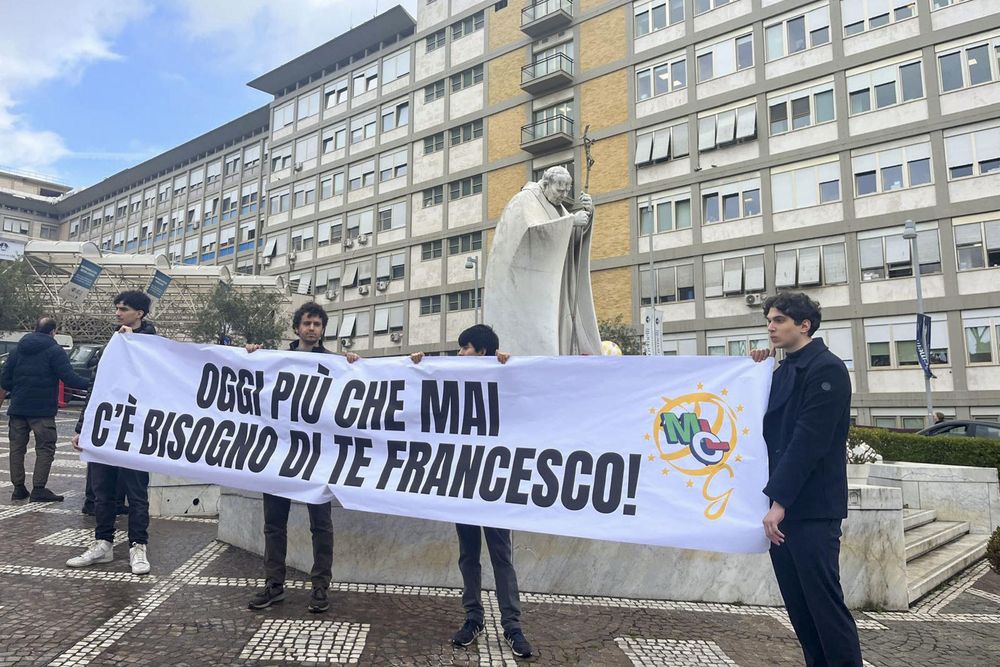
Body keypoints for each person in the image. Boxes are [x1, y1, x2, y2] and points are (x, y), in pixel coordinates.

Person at [750, 292, 863, 667]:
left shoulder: (827, 369)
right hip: (782, 510)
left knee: (824, 607)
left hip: (811, 509)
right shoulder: (782, 371)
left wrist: (779, 502)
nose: (771, 327)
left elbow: (809, 440)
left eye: (779, 320)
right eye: (769, 320)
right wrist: (758, 371)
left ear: (804, 325)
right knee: (800, 610)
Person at [410, 324, 533, 658]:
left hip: (494, 486)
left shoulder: (502, 375)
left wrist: (508, 365)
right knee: (468, 556)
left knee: (501, 557)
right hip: (463, 484)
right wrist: (417, 365)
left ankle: (512, 625)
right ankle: (473, 618)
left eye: (465, 348)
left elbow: (527, 394)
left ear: (482, 351)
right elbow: (422, 390)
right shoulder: (453, 376)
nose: (459, 353)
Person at [247, 302, 359, 614]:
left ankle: (321, 586)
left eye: (317, 324)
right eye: (307, 323)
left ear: (322, 330)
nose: (312, 328)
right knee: (274, 524)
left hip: (317, 457)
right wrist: (251, 355)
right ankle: (273, 584)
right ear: (297, 328)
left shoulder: (335, 363)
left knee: (321, 525)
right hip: (279, 454)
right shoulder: (275, 360)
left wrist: (354, 365)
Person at [67, 291, 157, 575]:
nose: (118, 313)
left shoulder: (153, 344)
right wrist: (83, 427)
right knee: (102, 490)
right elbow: (96, 386)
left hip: (136, 428)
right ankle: (102, 543)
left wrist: (135, 344)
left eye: (124, 309)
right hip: (106, 426)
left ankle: (138, 546)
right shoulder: (113, 341)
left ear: (139, 313)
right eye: (117, 308)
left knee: (136, 491)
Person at [483, 165, 601, 356]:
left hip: (556, 284)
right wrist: (571, 222)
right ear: (546, 184)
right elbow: (530, 234)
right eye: (559, 190)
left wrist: (587, 216)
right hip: (528, 288)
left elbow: (570, 244)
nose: (563, 195)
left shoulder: (559, 208)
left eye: (567, 190)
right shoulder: (524, 200)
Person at [1, 317, 91, 502]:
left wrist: (19, 388)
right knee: (45, 448)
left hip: (18, 408)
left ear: (35, 329)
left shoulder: (18, 350)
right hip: (42, 411)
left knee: (16, 448)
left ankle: (18, 488)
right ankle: (39, 489)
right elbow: (70, 378)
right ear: (53, 332)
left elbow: (4, 380)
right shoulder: (54, 350)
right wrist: (93, 383)